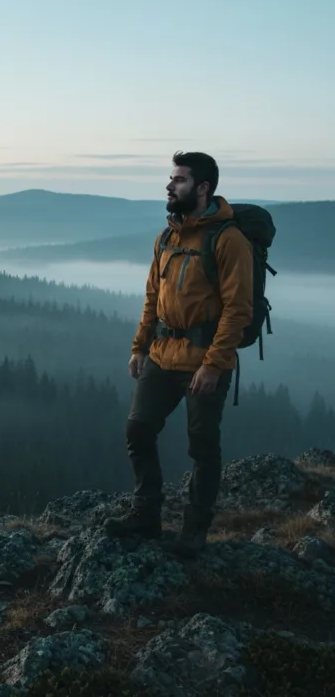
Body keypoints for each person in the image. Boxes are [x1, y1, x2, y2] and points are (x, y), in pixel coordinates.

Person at [104, 151, 253, 556]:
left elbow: (239, 310)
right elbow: (152, 296)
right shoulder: (166, 237)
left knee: (202, 446)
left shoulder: (228, 240)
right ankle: (146, 516)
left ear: (203, 188)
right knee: (138, 430)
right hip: (162, 354)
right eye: (171, 179)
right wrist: (139, 347)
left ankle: (194, 530)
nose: (170, 187)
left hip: (205, 361)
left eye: (179, 180)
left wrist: (214, 364)